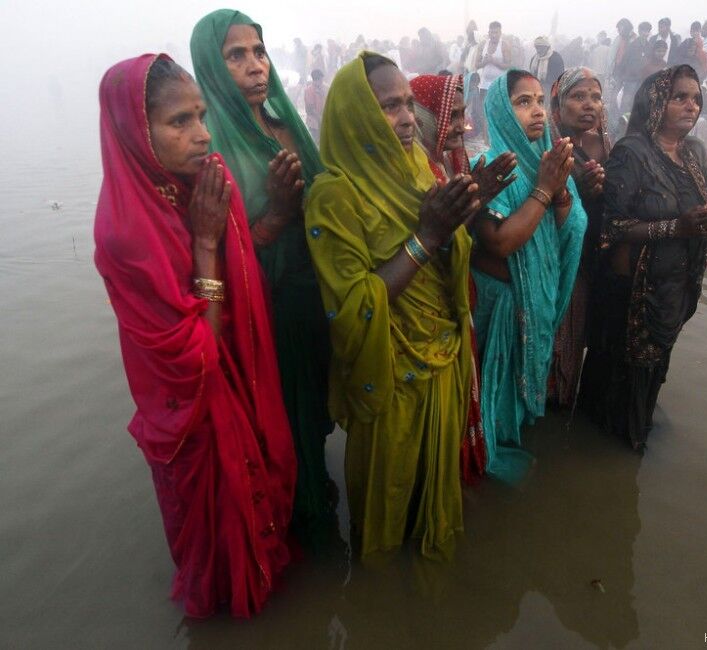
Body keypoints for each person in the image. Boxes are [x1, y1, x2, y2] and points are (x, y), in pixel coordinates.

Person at [94, 54, 296, 618]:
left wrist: (276, 212)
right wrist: (205, 244)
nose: (203, 134)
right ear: (135, 130)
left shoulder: (201, 183)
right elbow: (193, 358)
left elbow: (245, 264)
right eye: (179, 121)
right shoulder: (126, 232)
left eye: (202, 115)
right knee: (215, 544)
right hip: (189, 404)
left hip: (236, 378)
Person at [305, 53, 481, 559]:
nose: (407, 118)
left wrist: (457, 223)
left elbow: (448, 258)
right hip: (391, 380)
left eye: (407, 103)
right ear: (356, 115)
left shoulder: (419, 170)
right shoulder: (334, 195)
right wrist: (428, 235)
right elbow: (353, 306)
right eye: (388, 106)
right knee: (387, 518)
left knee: (433, 501)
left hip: (444, 363)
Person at [190, 9, 338, 554]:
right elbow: (213, 260)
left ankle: (314, 489)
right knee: (285, 417)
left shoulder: (285, 122)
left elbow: (324, 195)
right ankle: (303, 521)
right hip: (267, 311)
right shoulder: (211, 151)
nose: (255, 66)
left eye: (259, 51)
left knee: (315, 410)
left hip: (313, 292)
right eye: (236, 55)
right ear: (211, 65)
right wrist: (277, 215)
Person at [580, 65, 707, 453]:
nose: (691, 106)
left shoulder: (693, 153)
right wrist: (678, 230)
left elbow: (695, 211)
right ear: (657, 101)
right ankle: (610, 446)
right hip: (633, 291)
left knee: (655, 366)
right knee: (624, 370)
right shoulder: (632, 153)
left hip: (676, 283)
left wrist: (696, 239)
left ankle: (636, 426)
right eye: (680, 97)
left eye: (696, 98)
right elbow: (613, 227)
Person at [470, 70, 587, 482]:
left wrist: (561, 196)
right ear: (501, 110)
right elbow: (500, 242)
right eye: (523, 102)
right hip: (499, 303)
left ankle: (509, 437)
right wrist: (544, 189)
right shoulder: (488, 168)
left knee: (516, 395)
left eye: (539, 100)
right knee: (491, 391)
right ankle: (484, 457)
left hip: (533, 300)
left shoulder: (550, 165)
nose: (536, 110)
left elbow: (562, 235)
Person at [409, 73, 518, 484]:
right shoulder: (413, 171)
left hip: (457, 300)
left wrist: (479, 198)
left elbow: (459, 235)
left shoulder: (454, 161)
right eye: (449, 115)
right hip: (424, 313)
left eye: (462, 114)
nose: (461, 125)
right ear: (422, 117)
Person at [547, 68, 608, 409]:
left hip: (590, 259)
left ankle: (564, 403)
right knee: (554, 339)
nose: (589, 105)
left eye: (596, 97)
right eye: (578, 96)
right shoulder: (547, 147)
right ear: (558, 106)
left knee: (577, 336)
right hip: (556, 260)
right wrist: (577, 192)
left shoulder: (607, 146)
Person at [303, 69, 327, 141]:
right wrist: (320, 118)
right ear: (316, 80)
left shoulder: (323, 88)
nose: (322, 82)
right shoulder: (309, 90)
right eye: (320, 80)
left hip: (322, 119)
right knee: (316, 140)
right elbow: (310, 108)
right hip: (314, 121)